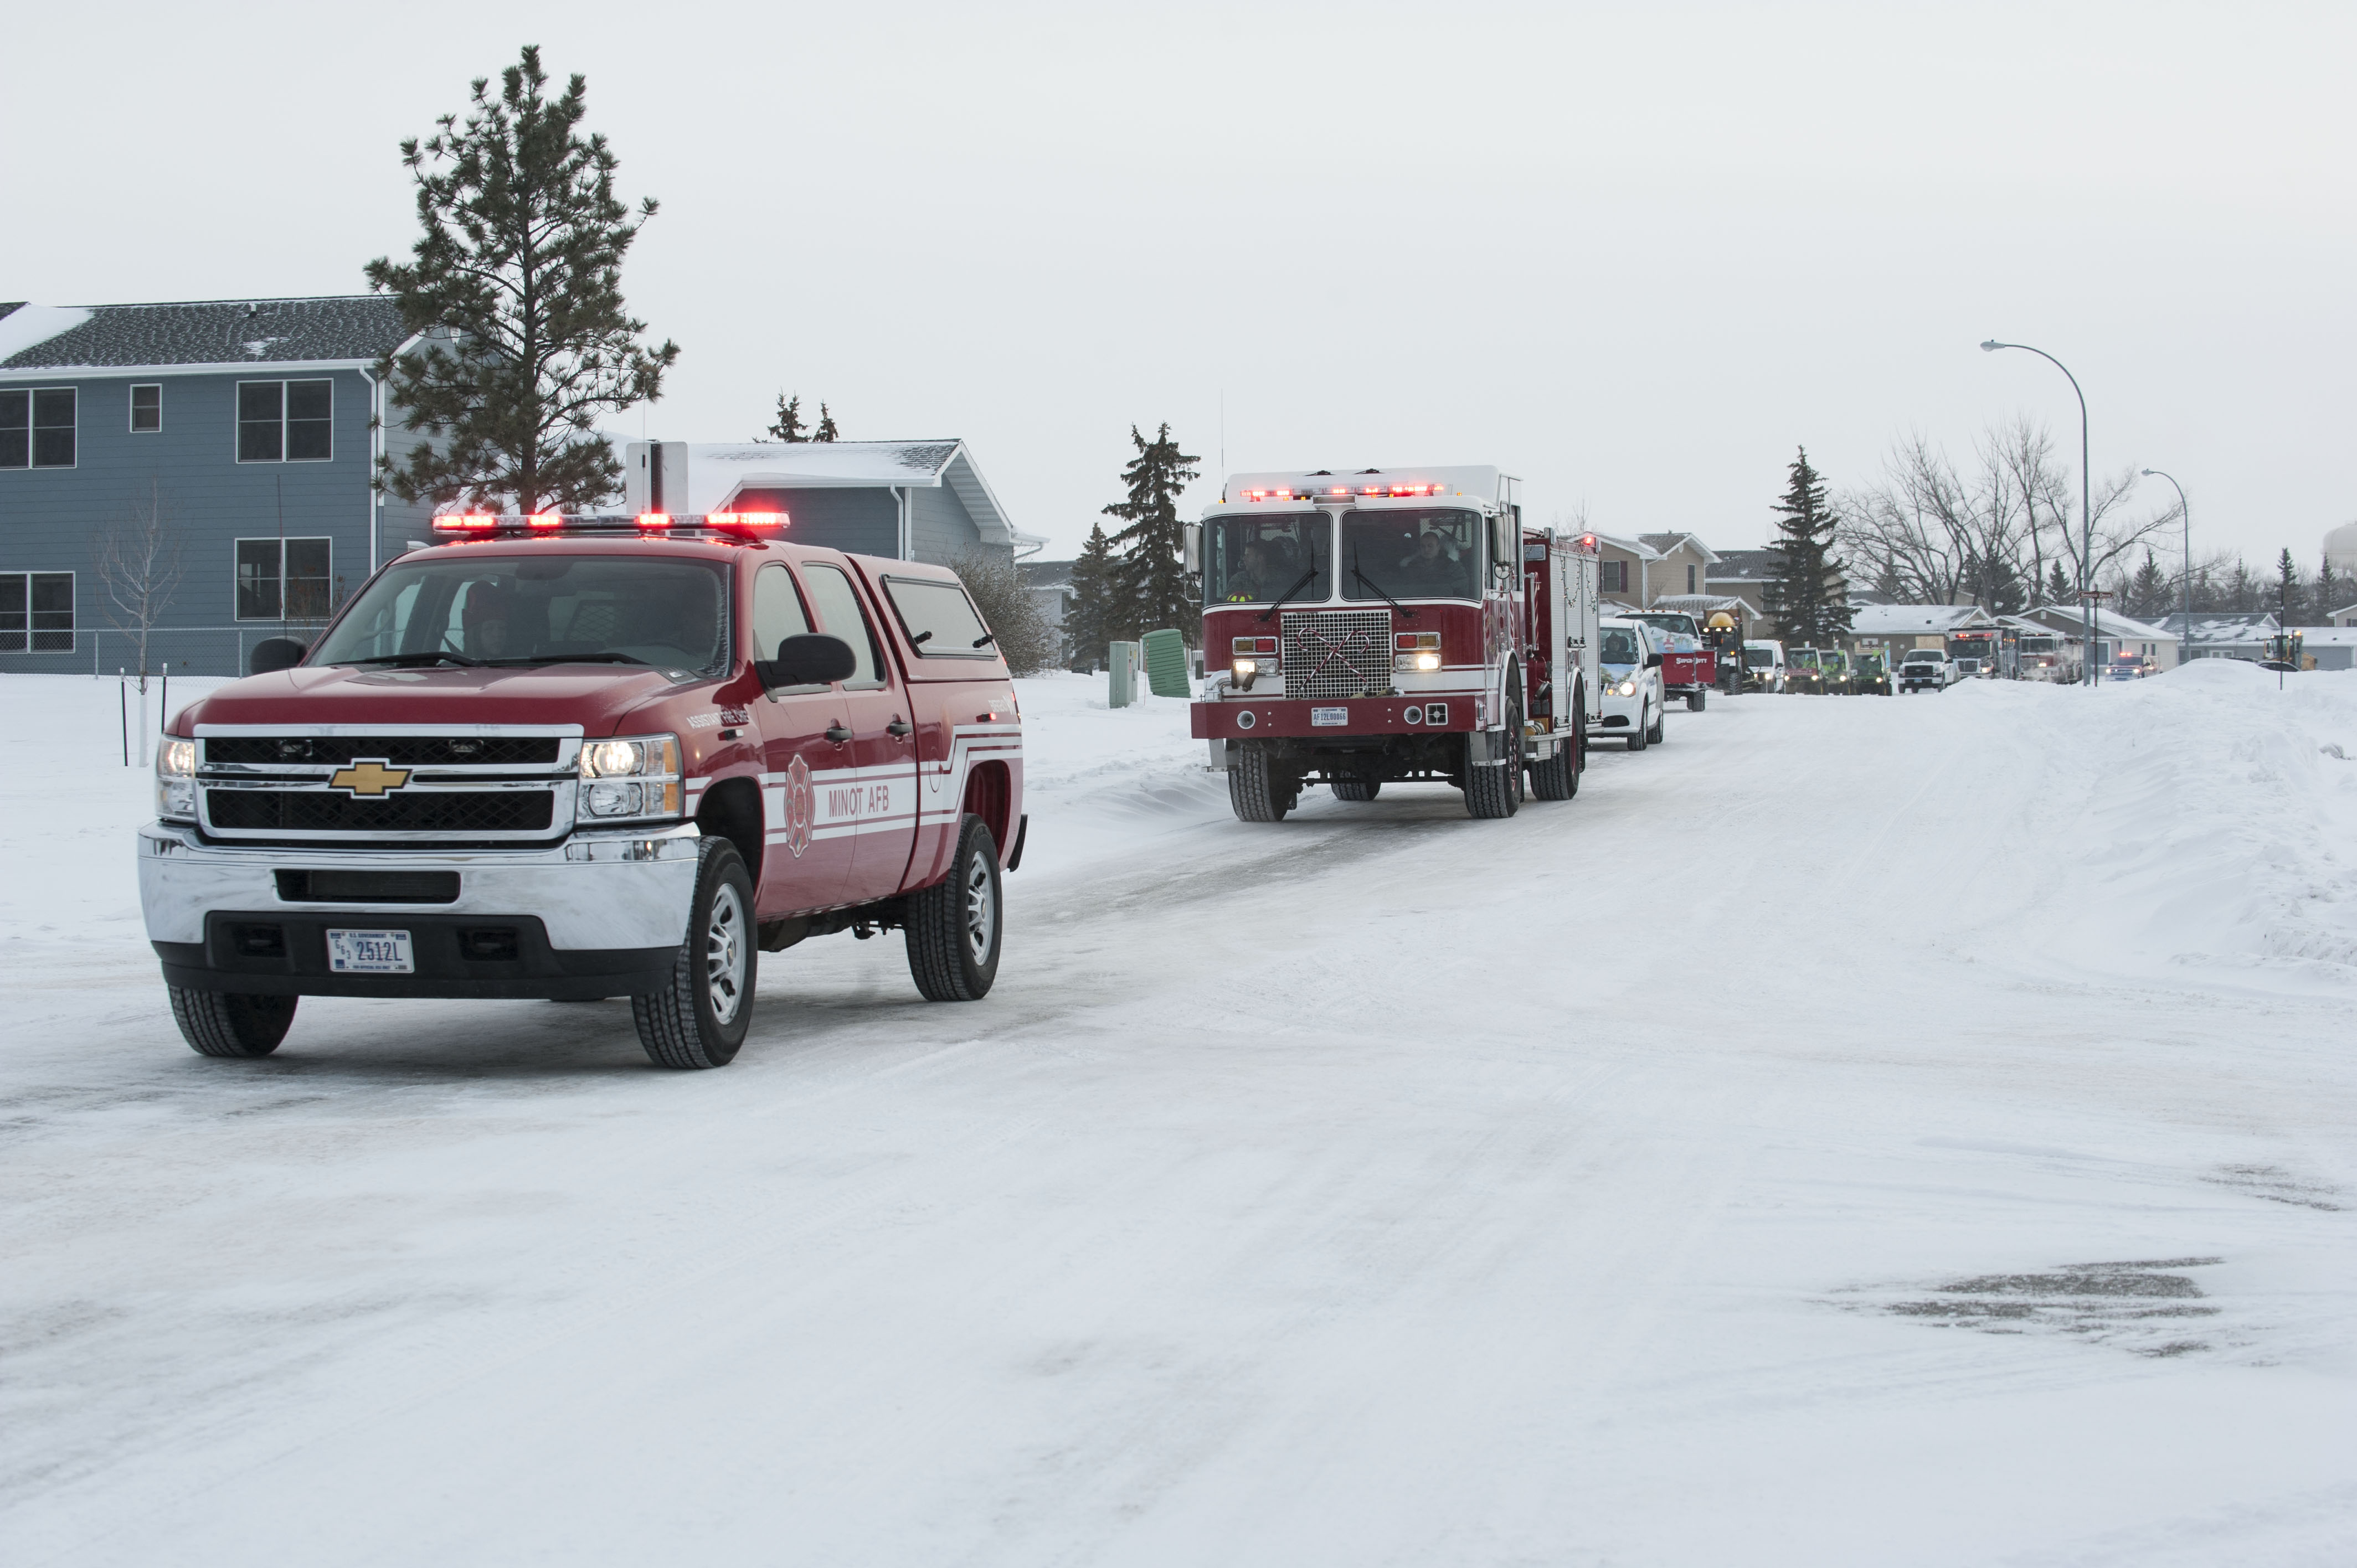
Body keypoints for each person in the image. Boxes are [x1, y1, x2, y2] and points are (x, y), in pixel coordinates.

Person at [1394, 529, 1465, 596]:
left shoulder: (1453, 567)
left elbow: (1462, 590)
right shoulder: (1411, 566)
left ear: (1439, 547)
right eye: (1423, 546)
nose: (1426, 550)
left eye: (1430, 546)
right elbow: (1403, 589)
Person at [1226, 538, 1280, 603]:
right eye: (1245, 555)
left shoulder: (1279, 578)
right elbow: (1227, 601)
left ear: (1260, 558)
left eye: (1248, 556)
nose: (1244, 559)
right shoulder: (1239, 579)